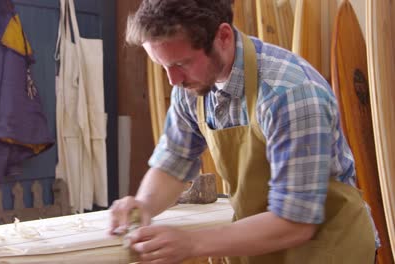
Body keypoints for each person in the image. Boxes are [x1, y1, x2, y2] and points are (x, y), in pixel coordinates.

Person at [109, 0, 378, 263]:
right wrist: (143, 206)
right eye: (163, 66)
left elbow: (296, 222)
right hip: (262, 242)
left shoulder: (289, 93)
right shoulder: (192, 87)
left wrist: (193, 243)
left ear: (223, 37)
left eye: (181, 64)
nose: (173, 80)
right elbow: (173, 163)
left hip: (328, 246)